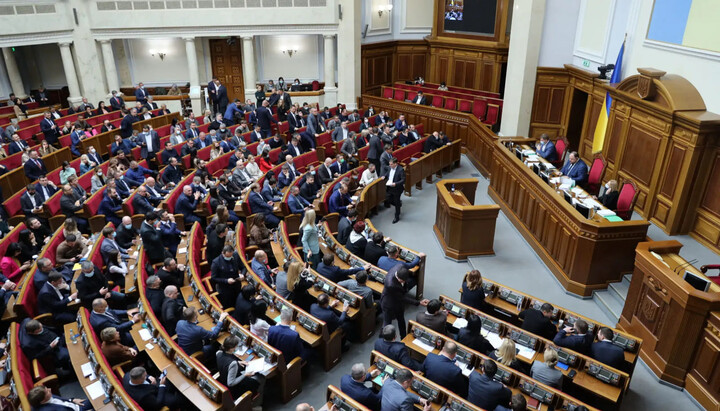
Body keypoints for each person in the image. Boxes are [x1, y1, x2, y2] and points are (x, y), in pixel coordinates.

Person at [381, 266, 429, 338]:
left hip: (399, 304)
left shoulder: (400, 267)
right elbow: (402, 298)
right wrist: (418, 302)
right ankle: (383, 339)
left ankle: (403, 338)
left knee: (401, 321)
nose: (403, 282)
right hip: (389, 304)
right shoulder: (391, 285)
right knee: (387, 324)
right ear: (398, 276)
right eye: (402, 280)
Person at [216, 335, 266, 400]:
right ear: (231, 348)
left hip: (223, 380)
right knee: (261, 378)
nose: (237, 347)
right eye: (236, 346)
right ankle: (256, 402)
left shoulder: (219, 353)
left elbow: (225, 362)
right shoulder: (233, 363)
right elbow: (230, 383)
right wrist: (245, 374)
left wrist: (238, 362)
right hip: (234, 389)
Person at [27, 385, 93, 411]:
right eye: (47, 392)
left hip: (75, 406)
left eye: (47, 388)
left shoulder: (44, 398)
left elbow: (60, 399)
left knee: (95, 398)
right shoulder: (48, 410)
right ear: (42, 401)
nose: (50, 389)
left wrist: (73, 400)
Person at [384, 157, 405, 224]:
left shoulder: (400, 170)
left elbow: (403, 180)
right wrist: (384, 176)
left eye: (391, 164)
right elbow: (388, 174)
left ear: (395, 164)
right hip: (389, 187)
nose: (390, 165)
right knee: (388, 199)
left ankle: (397, 216)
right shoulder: (390, 168)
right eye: (389, 164)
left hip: (397, 189)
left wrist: (396, 184)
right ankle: (398, 204)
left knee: (396, 201)